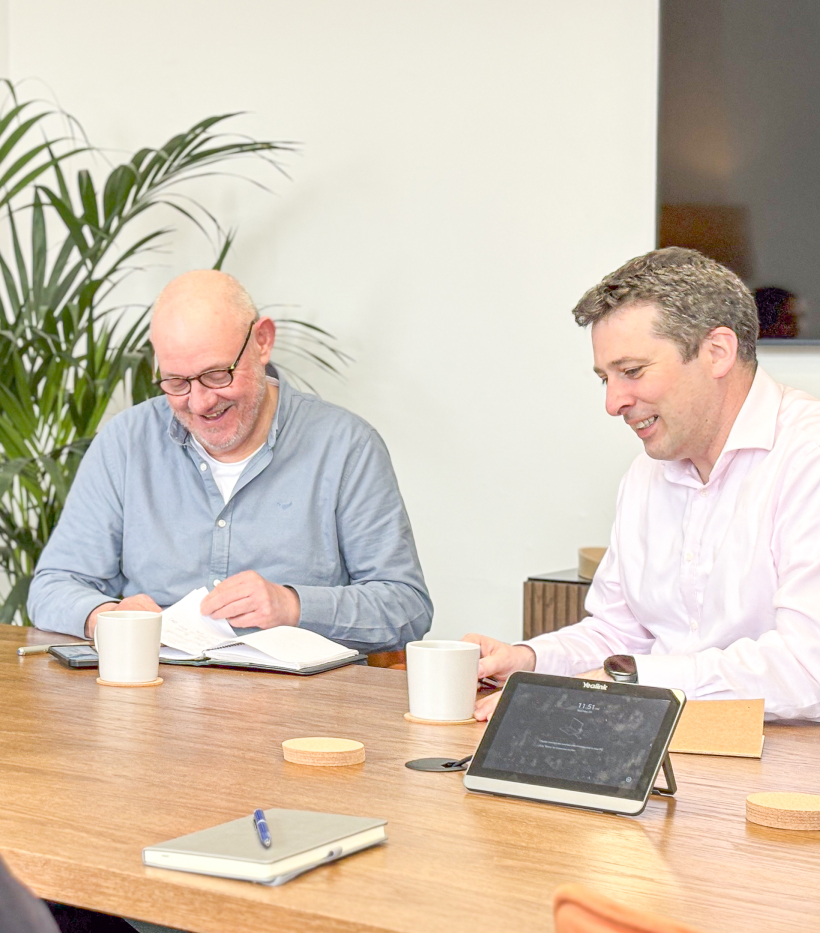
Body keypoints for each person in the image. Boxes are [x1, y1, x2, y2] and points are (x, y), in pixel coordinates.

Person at [468, 247, 820, 722]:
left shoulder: (807, 456)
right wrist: (531, 664)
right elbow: (618, 634)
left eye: (631, 372)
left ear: (717, 352)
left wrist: (623, 682)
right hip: (659, 747)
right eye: (604, 379)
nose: (614, 403)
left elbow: (806, 668)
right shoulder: (646, 473)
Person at [27, 270, 432, 651]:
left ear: (262, 342)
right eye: (176, 382)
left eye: (218, 375)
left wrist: (294, 606)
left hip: (298, 707)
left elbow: (407, 606)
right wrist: (106, 617)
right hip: (158, 694)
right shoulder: (125, 442)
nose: (200, 403)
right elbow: (52, 587)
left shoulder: (346, 447)